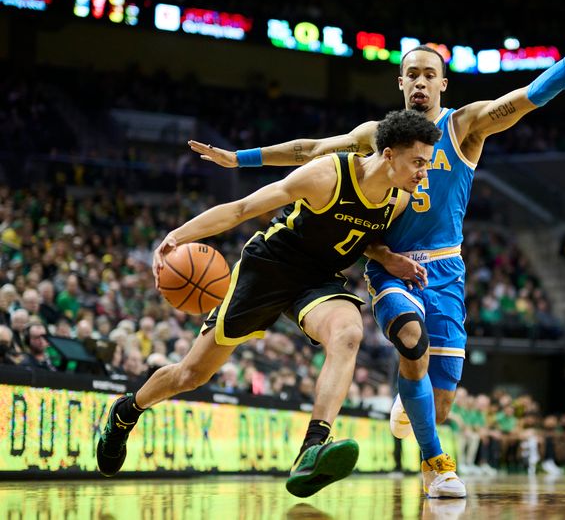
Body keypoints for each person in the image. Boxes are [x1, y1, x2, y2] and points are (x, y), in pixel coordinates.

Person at [190, 0, 565, 497]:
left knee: (440, 402)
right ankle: (438, 464)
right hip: (388, 267)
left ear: (443, 84)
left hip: (445, 271)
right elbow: (310, 150)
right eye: (412, 74)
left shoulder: (464, 127)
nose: (420, 81)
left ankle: (419, 412)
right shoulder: (377, 136)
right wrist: (238, 159)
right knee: (409, 338)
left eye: (430, 74)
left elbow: (531, 95)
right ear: (400, 83)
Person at [95, 110, 441, 498]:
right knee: (191, 375)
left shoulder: (398, 201)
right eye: (419, 162)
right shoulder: (327, 174)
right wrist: (178, 234)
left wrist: (383, 255)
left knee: (347, 334)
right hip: (270, 267)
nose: (424, 173)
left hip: (319, 279)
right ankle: (126, 411)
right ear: (390, 154)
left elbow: (363, 237)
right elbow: (244, 208)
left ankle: (311, 448)